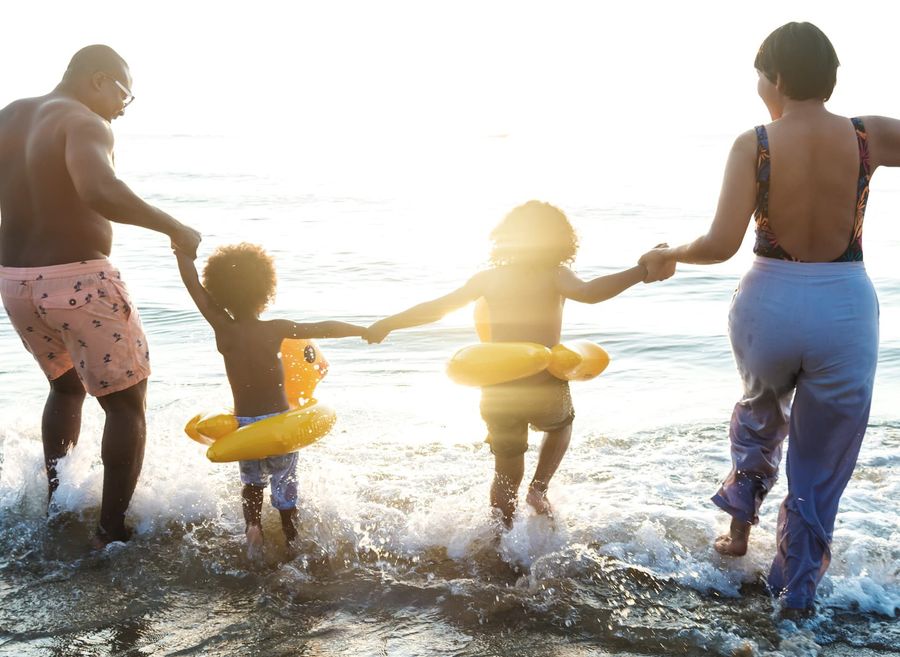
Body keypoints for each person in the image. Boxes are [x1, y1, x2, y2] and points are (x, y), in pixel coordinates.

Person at [639, 22, 900, 613]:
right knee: (821, 458)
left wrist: (669, 253)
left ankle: (738, 534)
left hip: (769, 304)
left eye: (759, 76)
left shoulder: (754, 143)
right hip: (844, 307)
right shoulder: (870, 135)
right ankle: (797, 590)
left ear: (777, 77)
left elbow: (719, 244)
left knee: (760, 412)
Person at [0, 45, 201, 547]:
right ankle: (111, 532)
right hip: (80, 283)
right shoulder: (84, 121)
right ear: (97, 79)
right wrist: (175, 228)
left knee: (66, 387)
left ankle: (57, 507)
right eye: (124, 94)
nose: (123, 108)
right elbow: (100, 190)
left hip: (16, 282)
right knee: (126, 406)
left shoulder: (11, 115)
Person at [367, 201, 663, 528]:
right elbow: (590, 292)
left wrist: (388, 323)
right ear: (559, 240)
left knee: (505, 474)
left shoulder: (487, 279)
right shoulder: (555, 275)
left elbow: (438, 308)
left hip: (498, 388)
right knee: (561, 425)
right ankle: (538, 489)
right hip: (543, 382)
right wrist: (641, 271)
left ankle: (500, 535)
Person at [174, 243, 368, 558]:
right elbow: (324, 328)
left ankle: (253, 527)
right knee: (285, 482)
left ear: (220, 291)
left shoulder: (223, 328)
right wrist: (364, 330)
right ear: (266, 290)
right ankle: (291, 540)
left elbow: (194, 288)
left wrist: (181, 253)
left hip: (245, 428)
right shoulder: (277, 329)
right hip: (279, 426)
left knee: (252, 484)